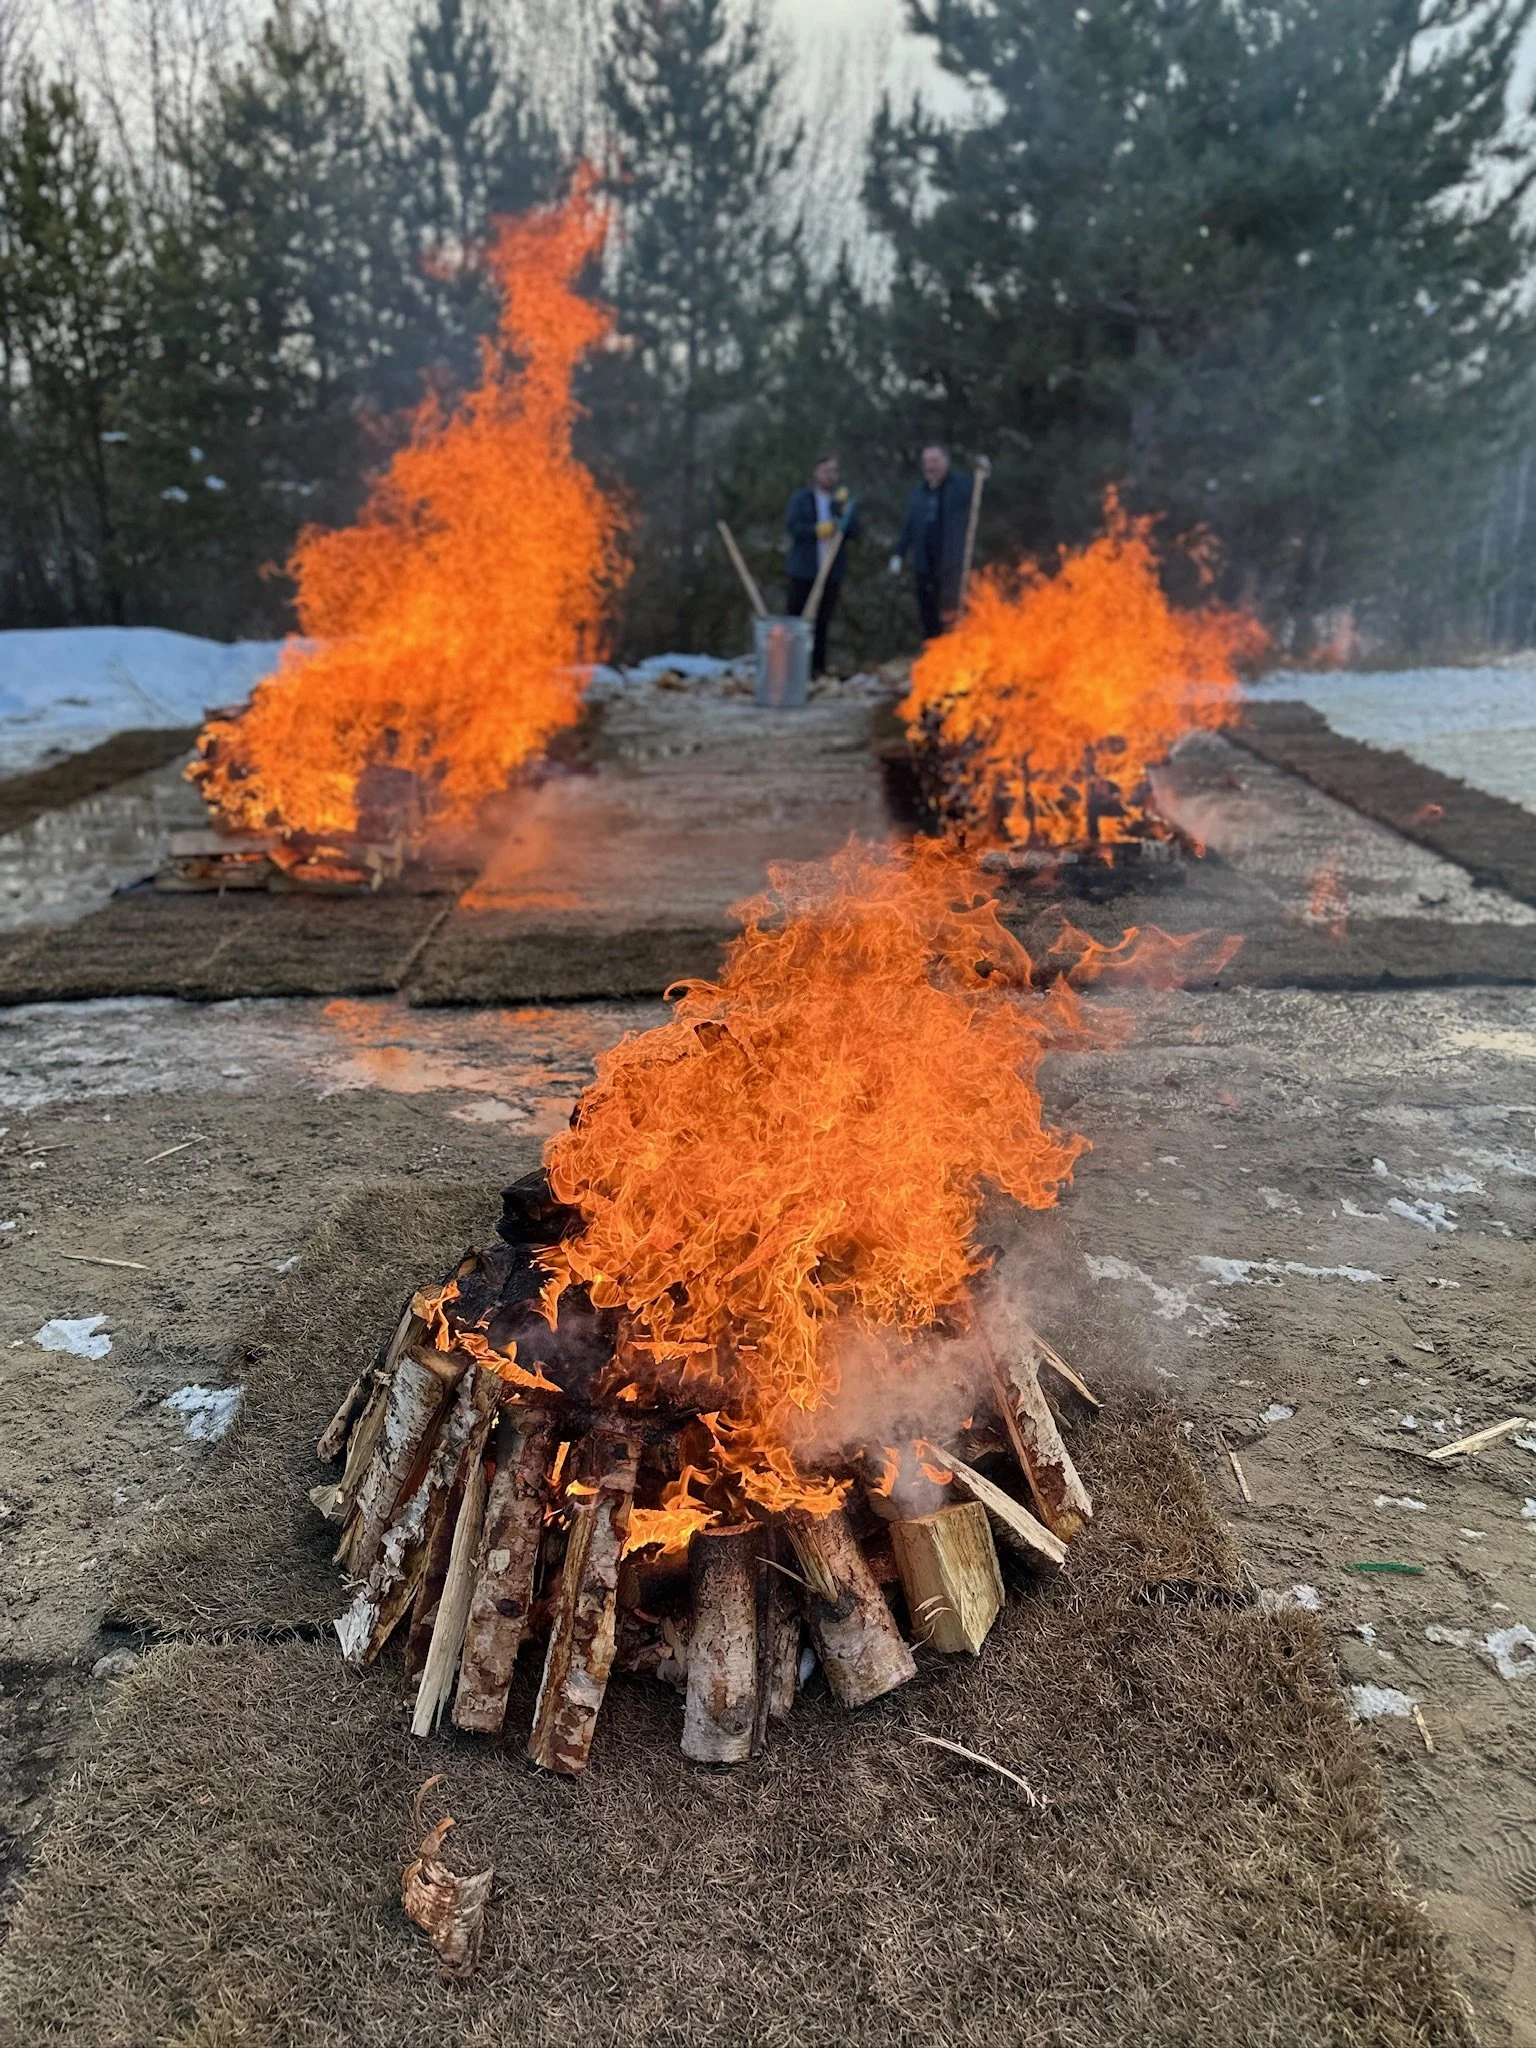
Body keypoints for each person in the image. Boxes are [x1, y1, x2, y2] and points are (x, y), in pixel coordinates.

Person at [785, 455, 859, 677]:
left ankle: (816, 669)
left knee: (823, 623)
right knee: (797, 621)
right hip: (803, 571)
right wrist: (816, 530)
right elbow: (794, 528)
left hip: (830, 572)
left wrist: (843, 514)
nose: (830, 475)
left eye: (834, 471)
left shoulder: (840, 503)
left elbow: (855, 532)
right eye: (825, 470)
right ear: (815, 473)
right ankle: (792, 668)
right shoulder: (802, 499)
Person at [890, 444, 974, 639]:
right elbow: (908, 526)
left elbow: (979, 488)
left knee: (950, 611)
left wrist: (982, 472)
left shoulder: (959, 485)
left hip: (950, 563)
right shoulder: (918, 493)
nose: (930, 466)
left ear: (946, 461)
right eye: (926, 462)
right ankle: (931, 654)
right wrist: (898, 553)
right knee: (927, 611)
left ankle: (952, 652)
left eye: (934, 461)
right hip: (923, 563)